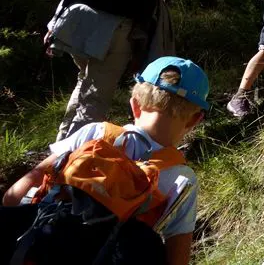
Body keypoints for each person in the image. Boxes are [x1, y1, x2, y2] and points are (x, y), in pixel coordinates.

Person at [1, 56, 210, 265]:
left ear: (135, 104)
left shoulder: (97, 132)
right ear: (194, 120)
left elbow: (22, 188)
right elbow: (178, 256)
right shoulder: (183, 179)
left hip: (44, 248)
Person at [47, 0, 172, 140]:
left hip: (81, 22)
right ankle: (72, 156)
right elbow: (157, 4)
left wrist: (54, 23)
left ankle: (62, 139)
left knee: (84, 78)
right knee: (97, 95)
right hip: (118, 30)